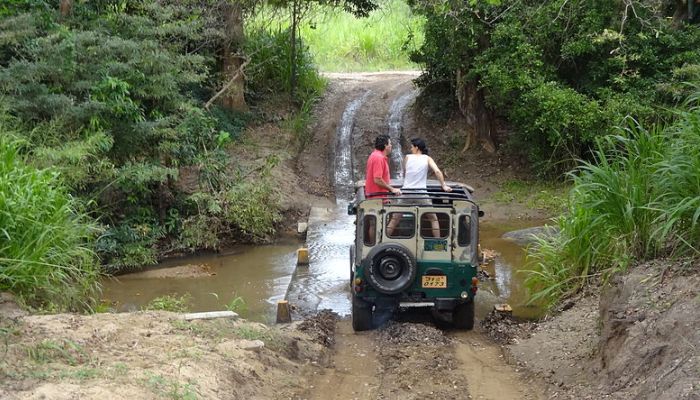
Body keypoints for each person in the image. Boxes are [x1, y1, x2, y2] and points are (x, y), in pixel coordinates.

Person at [387, 138, 452, 237]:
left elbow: (405, 173)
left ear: (417, 148)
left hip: (406, 193)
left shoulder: (407, 157)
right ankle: (438, 243)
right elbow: (438, 171)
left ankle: (383, 241)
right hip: (421, 195)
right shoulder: (427, 158)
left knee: (395, 219)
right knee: (433, 219)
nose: (411, 148)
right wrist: (443, 185)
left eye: (412, 147)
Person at [364, 134, 401, 198]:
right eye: (390, 143)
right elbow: (377, 180)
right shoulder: (378, 158)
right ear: (385, 145)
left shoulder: (375, 155)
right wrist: (392, 189)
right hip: (377, 199)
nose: (391, 145)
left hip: (377, 197)